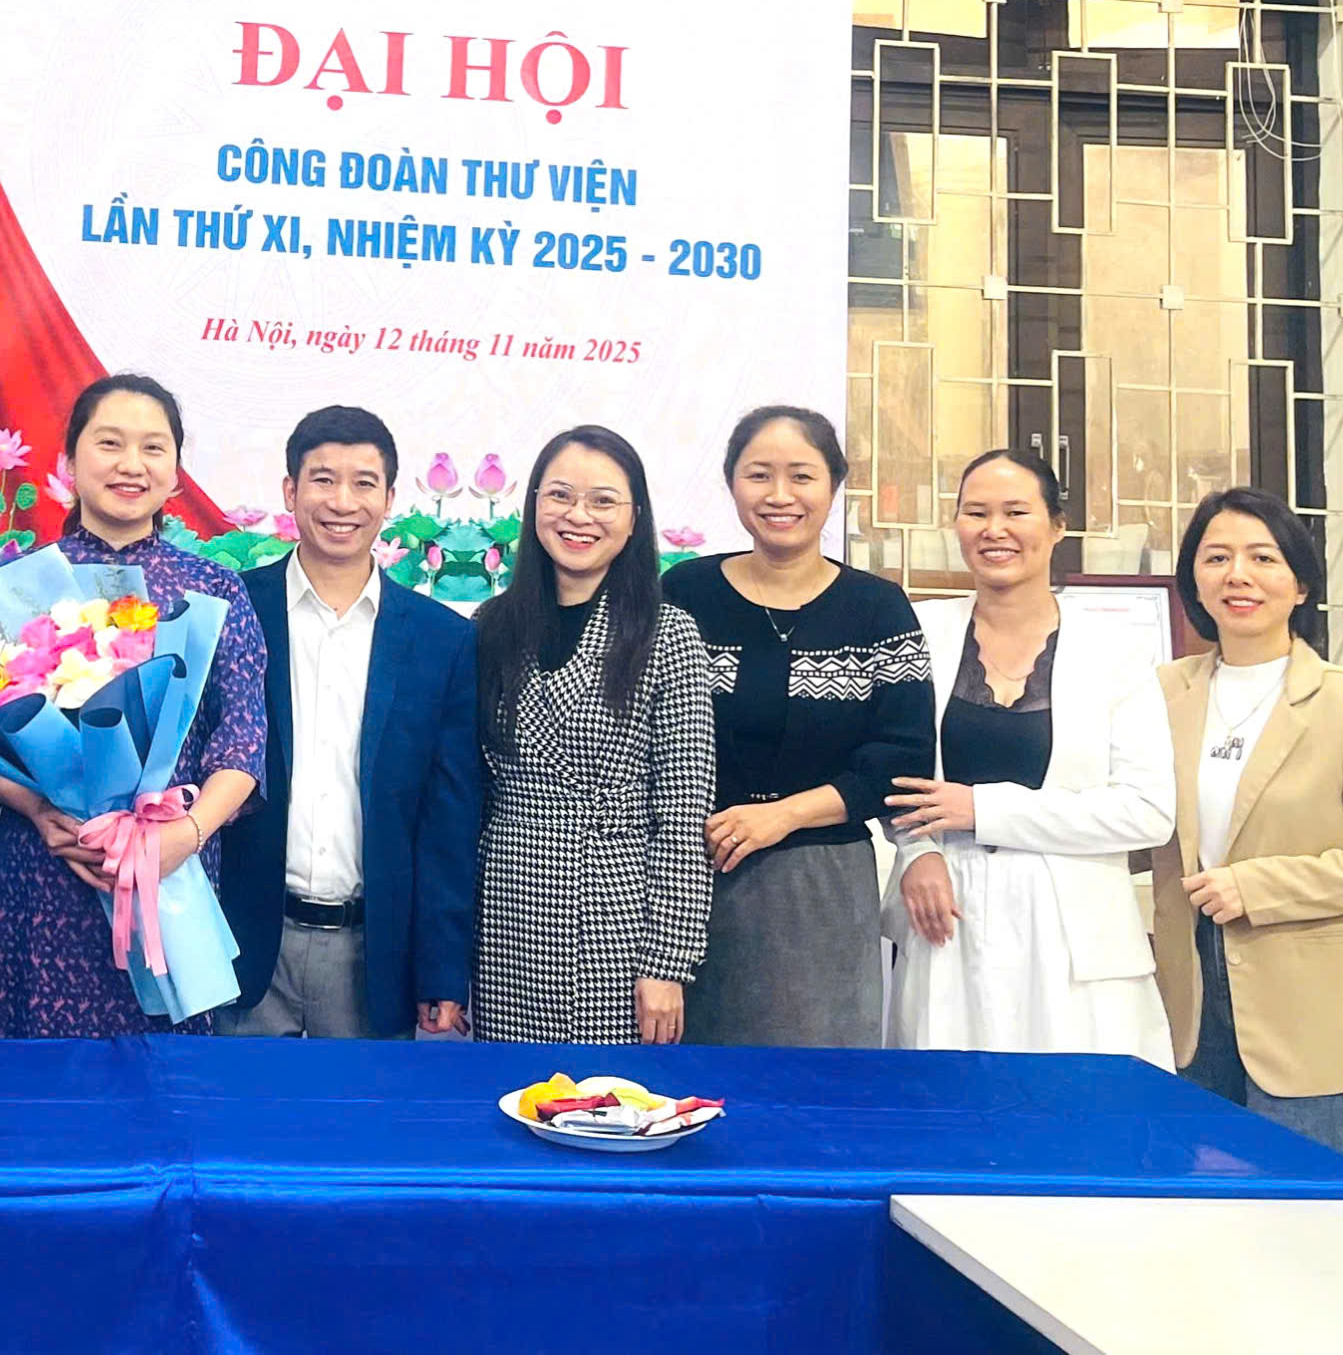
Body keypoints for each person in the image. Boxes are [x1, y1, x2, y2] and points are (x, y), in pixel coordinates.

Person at [0, 374, 268, 1038]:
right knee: (37, 1079)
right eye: (109, 443)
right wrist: (41, 810)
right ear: (69, 460)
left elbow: (243, 741)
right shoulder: (16, 585)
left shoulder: (214, 589)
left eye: (153, 448)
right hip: (48, 872)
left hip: (170, 876)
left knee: (165, 1077)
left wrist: (184, 837)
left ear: (176, 472)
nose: (131, 464)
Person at [1155, 488, 1343, 1169]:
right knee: (1201, 1217)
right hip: (1191, 1006)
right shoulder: (1162, 693)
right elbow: (1138, 825)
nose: (1237, 576)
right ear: (1194, 579)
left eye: (1262, 558)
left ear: (1301, 583)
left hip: (1321, 1014)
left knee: (1320, 1219)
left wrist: (1257, 886)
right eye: (1216, 558)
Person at [883, 451, 1173, 1066]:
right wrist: (917, 852)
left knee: (1078, 1110)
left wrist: (982, 810)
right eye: (976, 513)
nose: (995, 530)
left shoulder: (1117, 651)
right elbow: (891, 769)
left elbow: (1147, 812)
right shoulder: (917, 632)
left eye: (1016, 512)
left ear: (1057, 525)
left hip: (1072, 930)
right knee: (948, 1102)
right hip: (949, 916)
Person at [660, 406, 931, 1047]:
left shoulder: (878, 608)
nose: (780, 495)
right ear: (732, 484)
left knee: (816, 1079)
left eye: (801, 476)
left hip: (822, 886)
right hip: (688, 879)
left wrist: (782, 815)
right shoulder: (685, 593)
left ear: (834, 485)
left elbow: (902, 759)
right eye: (759, 475)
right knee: (684, 1077)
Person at [219, 407, 484, 1039]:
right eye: (323, 480)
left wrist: (442, 969)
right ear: (290, 491)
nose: (342, 502)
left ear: (390, 499)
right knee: (236, 1105)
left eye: (364, 483)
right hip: (242, 945)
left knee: (362, 1108)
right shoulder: (232, 607)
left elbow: (448, 819)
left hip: (372, 957)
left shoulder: (442, 639)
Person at [470, 426, 714, 1045]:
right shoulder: (491, 625)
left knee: (611, 1094)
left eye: (603, 501)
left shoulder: (668, 633)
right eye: (559, 496)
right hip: (505, 914)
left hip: (617, 922)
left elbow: (682, 813)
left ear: (634, 519)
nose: (578, 516)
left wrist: (668, 964)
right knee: (513, 1093)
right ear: (533, 507)